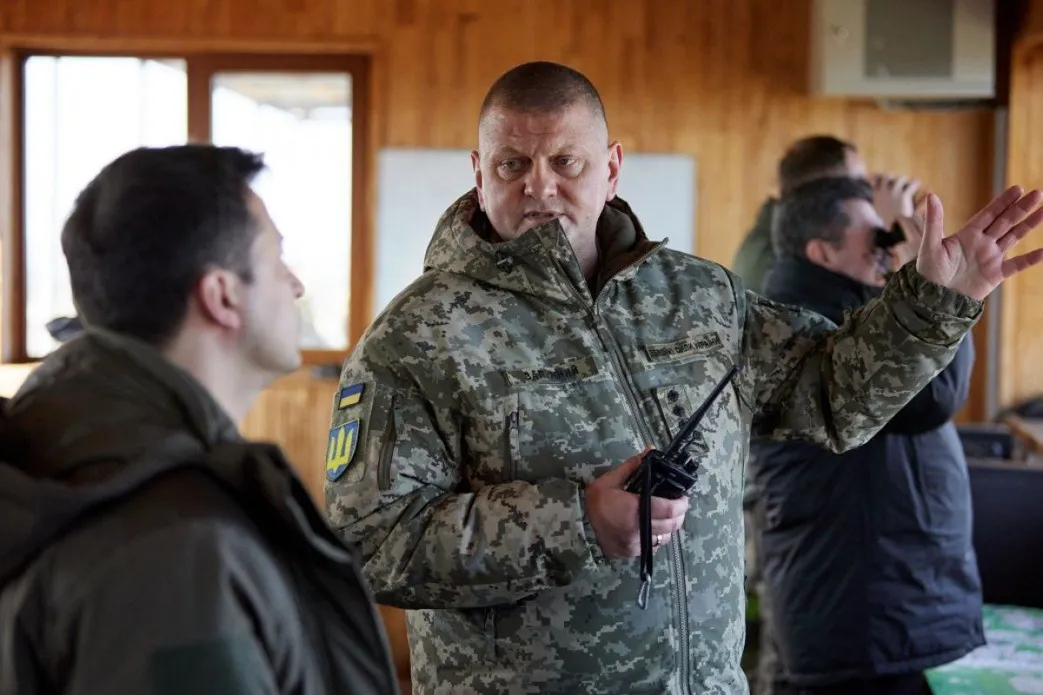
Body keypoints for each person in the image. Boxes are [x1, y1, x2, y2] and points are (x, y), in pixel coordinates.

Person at [323, 60, 1043, 695]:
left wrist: (933, 302)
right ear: (479, 175)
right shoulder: (418, 337)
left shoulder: (700, 298)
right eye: (512, 165)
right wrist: (575, 521)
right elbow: (373, 541)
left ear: (611, 168)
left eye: (565, 162)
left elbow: (831, 392)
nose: (540, 186)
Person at [0, 145, 399, 695]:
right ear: (222, 296)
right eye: (277, 259)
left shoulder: (68, 450)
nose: (296, 285)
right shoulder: (177, 551)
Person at [748, 177, 982, 695]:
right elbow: (934, 395)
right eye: (871, 237)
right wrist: (925, 281)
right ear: (822, 251)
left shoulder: (838, 304)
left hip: (872, 599)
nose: (883, 248)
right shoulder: (813, 323)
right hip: (858, 605)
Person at [730, 134, 920, 294]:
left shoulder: (781, 232)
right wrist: (895, 233)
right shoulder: (773, 260)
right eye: (859, 182)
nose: (866, 192)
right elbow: (870, 319)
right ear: (827, 187)